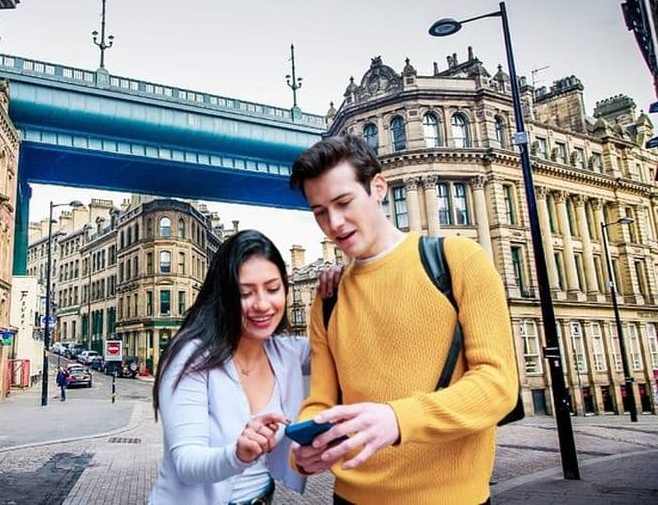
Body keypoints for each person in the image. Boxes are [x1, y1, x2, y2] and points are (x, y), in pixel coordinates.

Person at [288, 135, 519, 504]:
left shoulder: (458, 260)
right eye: (319, 212)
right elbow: (321, 401)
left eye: (344, 202)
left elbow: (498, 386)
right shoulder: (327, 299)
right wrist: (305, 452)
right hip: (349, 497)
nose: (334, 223)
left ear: (378, 187)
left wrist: (399, 419)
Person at [150, 229, 310, 505]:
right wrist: (237, 454)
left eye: (272, 289)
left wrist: (332, 295)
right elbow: (186, 461)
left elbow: (346, 344)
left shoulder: (290, 352)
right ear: (223, 296)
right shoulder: (191, 356)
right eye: (245, 293)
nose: (262, 304)